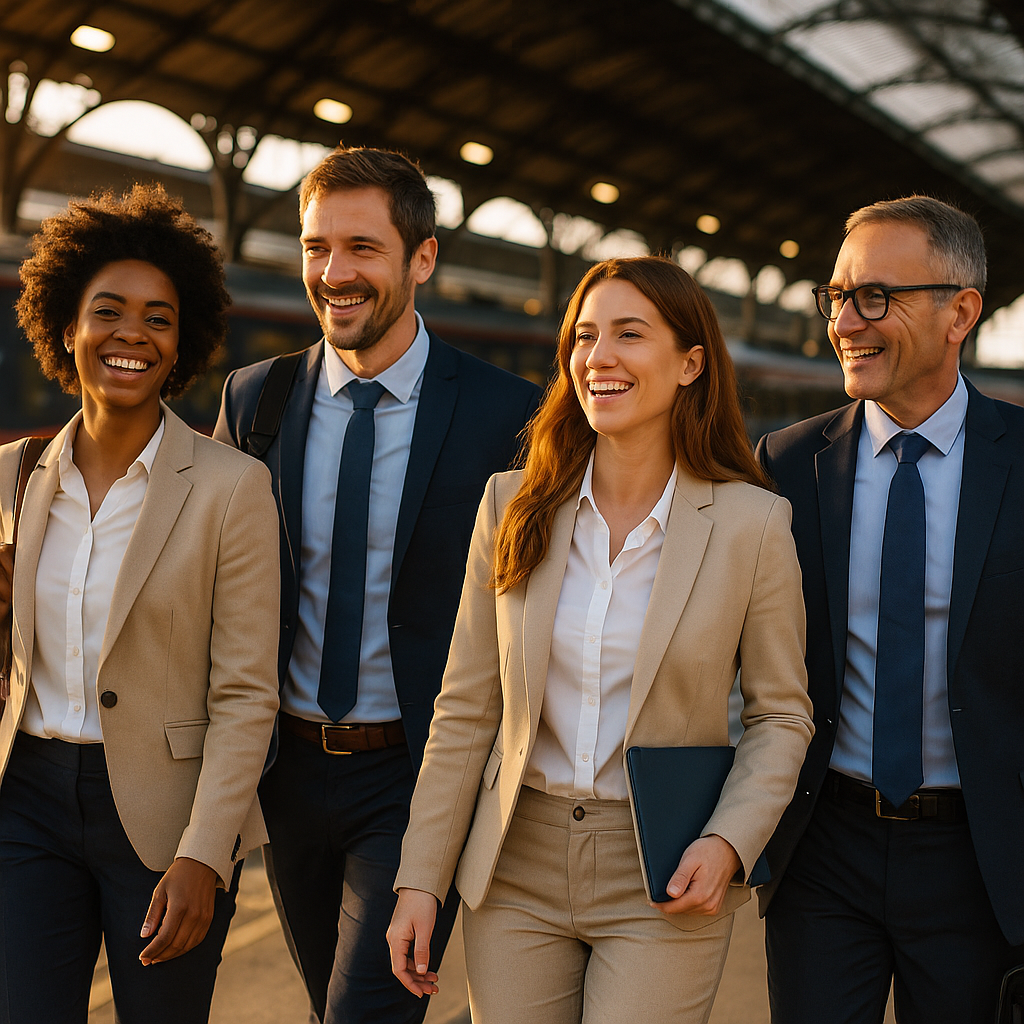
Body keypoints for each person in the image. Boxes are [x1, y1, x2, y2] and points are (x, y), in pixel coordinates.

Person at [387, 255, 814, 1024]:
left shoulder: (752, 526)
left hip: (662, 865)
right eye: (584, 336)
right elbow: (466, 708)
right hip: (514, 861)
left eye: (628, 333)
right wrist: (420, 877)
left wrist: (728, 841)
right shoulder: (510, 505)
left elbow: (781, 716)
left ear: (690, 363)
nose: (598, 357)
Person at [213, 145, 539, 1024]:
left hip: (417, 776)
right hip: (286, 772)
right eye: (317, 247)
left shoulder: (507, 413)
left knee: (367, 1011)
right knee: (334, 1006)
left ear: (421, 258)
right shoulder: (257, 400)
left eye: (362, 247)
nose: (333, 273)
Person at [0, 184, 280, 1024]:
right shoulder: (12, 474)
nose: (132, 334)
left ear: (182, 340)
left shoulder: (233, 488)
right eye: (109, 311)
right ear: (65, 327)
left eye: (159, 318)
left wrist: (206, 854)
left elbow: (245, 692)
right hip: (28, 804)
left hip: (165, 822)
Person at [756, 195, 1024, 1024]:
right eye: (836, 295)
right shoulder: (788, 464)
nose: (846, 321)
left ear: (961, 313)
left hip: (982, 860)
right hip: (823, 850)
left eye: (875, 296)